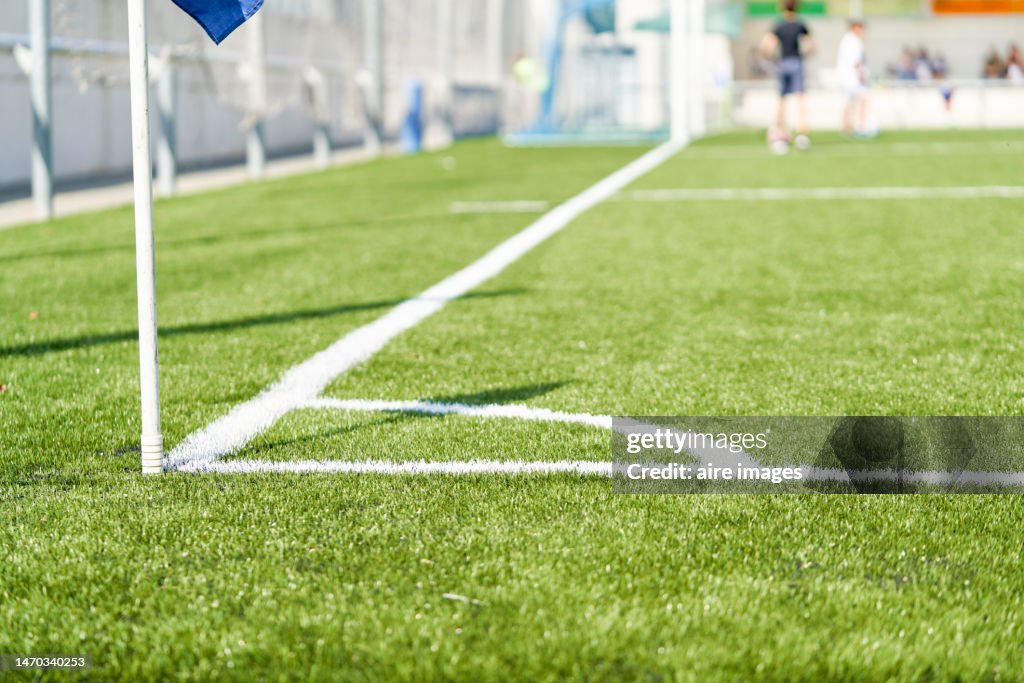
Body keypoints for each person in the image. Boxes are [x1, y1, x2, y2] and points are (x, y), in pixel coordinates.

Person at [760, 0, 815, 150]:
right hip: (796, 62)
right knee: (800, 98)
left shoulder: (778, 25)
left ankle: (779, 133)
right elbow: (811, 45)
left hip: (782, 63)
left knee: (781, 99)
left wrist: (771, 58)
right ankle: (802, 135)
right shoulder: (800, 24)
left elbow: (766, 45)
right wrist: (804, 55)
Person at [836, 19, 869, 137]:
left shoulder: (846, 40)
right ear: (855, 28)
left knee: (848, 101)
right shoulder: (854, 41)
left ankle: (846, 127)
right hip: (853, 77)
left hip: (845, 77)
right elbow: (856, 62)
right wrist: (862, 76)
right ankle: (860, 126)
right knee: (863, 98)